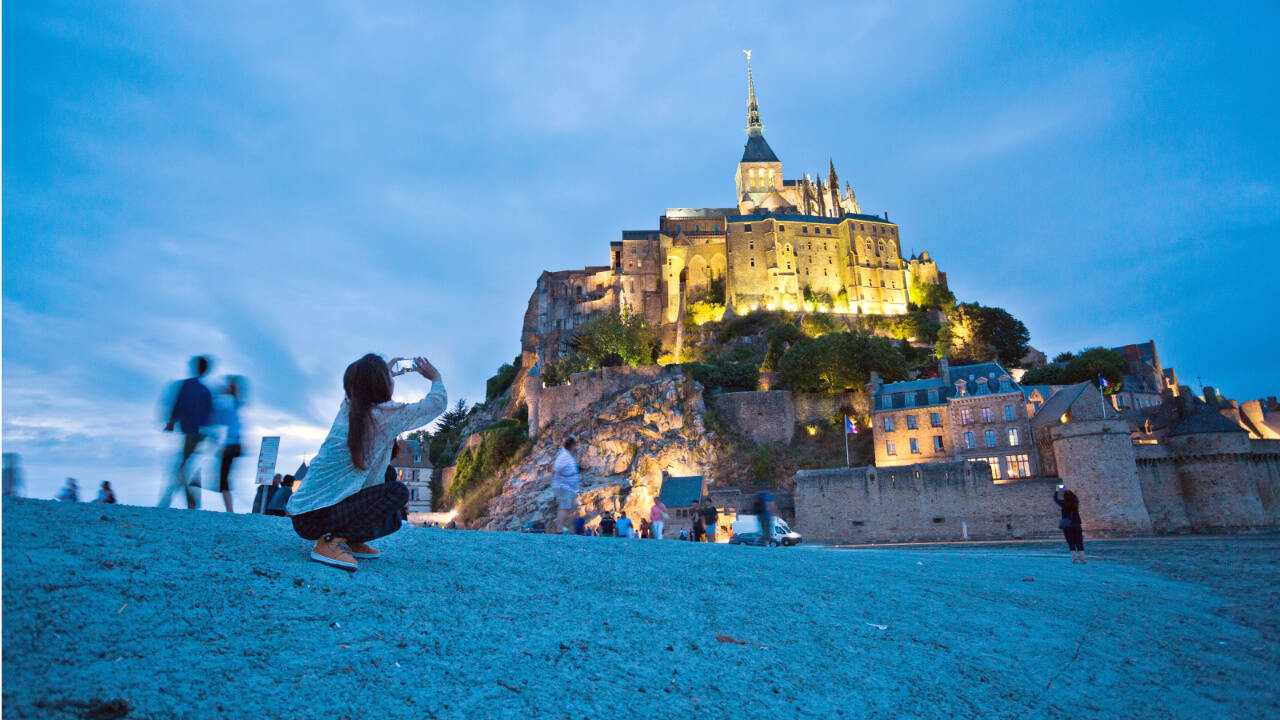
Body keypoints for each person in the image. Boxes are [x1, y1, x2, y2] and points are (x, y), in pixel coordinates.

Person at [287, 355, 446, 571]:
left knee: (389, 479)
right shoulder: (384, 416)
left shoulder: (348, 408)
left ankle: (349, 540)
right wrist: (435, 377)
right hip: (315, 516)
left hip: (307, 515)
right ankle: (332, 542)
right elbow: (435, 404)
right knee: (397, 492)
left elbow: (366, 390)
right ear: (382, 385)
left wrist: (384, 373)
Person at [161, 356, 214, 509]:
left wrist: (171, 422)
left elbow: (179, 405)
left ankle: (179, 500)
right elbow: (209, 414)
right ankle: (189, 502)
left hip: (191, 432)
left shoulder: (188, 386)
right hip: (201, 434)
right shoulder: (206, 391)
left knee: (183, 466)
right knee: (188, 465)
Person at [211, 376, 246, 513]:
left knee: (223, 479)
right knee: (224, 478)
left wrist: (222, 392)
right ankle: (229, 508)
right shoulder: (235, 406)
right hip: (232, 445)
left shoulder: (233, 408)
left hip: (232, 445)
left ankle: (229, 509)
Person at [549, 436, 581, 533]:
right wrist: (560, 482)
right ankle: (559, 529)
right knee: (564, 507)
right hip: (563, 487)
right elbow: (555, 470)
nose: (575, 448)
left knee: (571, 508)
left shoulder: (567, 455)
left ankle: (572, 530)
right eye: (575, 445)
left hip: (570, 487)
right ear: (572, 446)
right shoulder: (563, 456)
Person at [1054, 487, 1086, 564]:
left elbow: (1055, 499)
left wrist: (1057, 490)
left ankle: (1075, 559)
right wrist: (1071, 492)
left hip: (1067, 525)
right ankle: (1082, 560)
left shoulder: (1063, 503)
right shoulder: (1075, 503)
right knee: (1079, 542)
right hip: (1076, 524)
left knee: (1071, 542)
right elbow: (1075, 497)